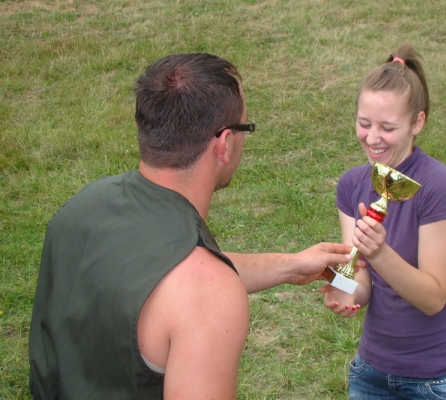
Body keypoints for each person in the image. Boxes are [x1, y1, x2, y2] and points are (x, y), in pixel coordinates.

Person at [28, 52, 354, 399]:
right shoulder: (205, 294)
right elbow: (195, 286)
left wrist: (290, 266)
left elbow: (163, 272)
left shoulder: (83, 207)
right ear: (224, 143)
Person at [320, 43, 446, 399]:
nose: (372, 138)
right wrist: (344, 292)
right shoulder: (352, 185)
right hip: (371, 372)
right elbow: (358, 272)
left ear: (417, 122)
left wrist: (379, 252)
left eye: (387, 127)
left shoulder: (439, 187)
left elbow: (433, 298)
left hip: (440, 379)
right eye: (364, 124)